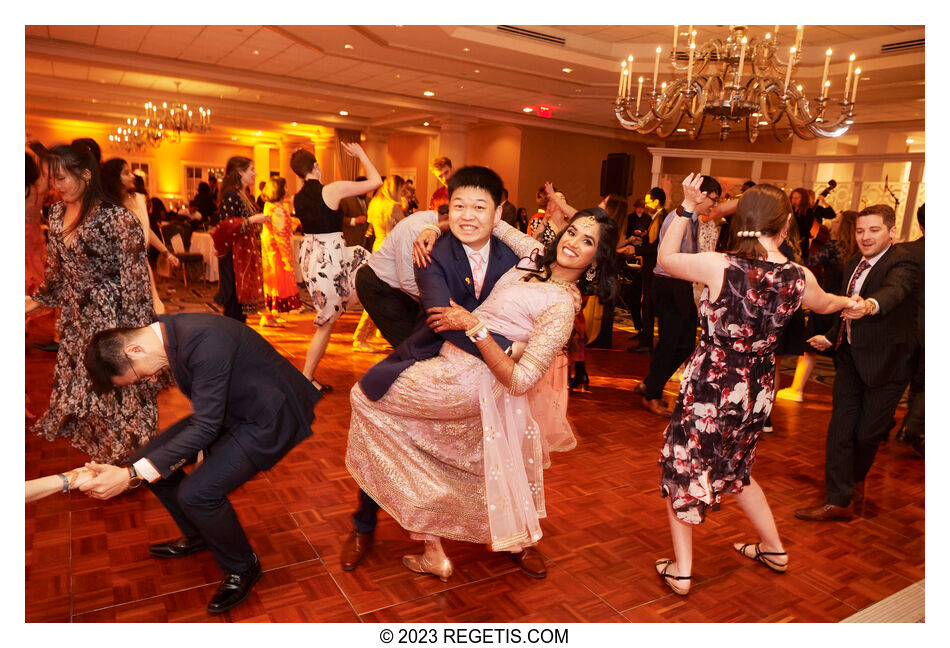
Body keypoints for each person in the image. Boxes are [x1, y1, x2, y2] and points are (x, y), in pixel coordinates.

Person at [346, 194, 618, 581]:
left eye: (587, 241)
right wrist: (432, 227)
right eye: (572, 231)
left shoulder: (562, 305)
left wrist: (472, 326)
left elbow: (521, 380)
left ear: (597, 260)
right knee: (464, 454)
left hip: (467, 379)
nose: (572, 242)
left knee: (367, 401)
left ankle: (430, 535)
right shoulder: (536, 256)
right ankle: (434, 545)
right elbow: (492, 223)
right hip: (454, 365)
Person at [653, 176, 856, 595]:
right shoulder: (799, 275)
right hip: (758, 387)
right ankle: (774, 549)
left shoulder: (719, 264)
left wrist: (688, 207)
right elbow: (826, 304)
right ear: (784, 228)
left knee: (686, 467)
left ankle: (683, 570)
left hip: (713, 381)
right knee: (738, 470)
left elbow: (667, 256)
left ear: (741, 220)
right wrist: (851, 303)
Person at [79, 313, 322, 614]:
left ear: (134, 350)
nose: (151, 379)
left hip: (269, 416)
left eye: (140, 376)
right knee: (149, 464)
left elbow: (206, 426)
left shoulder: (203, 339)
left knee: (196, 493)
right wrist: (136, 469)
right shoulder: (170, 335)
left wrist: (130, 475)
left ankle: (244, 567)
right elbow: (207, 417)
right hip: (230, 410)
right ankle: (201, 534)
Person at [25, 141, 160, 463]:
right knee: (87, 392)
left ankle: (132, 463)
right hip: (75, 321)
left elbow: (136, 284)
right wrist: (32, 302)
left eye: (61, 178)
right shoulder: (56, 213)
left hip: (113, 319)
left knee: (123, 392)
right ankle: (104, 457)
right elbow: (57, 276)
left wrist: (140, 338)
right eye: (51, 179)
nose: (54, 187)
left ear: (86, 175)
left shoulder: (118, 219)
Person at [794, 204, 919, 522]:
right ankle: (837, 499)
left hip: (889, 364)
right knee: (840, 428)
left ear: (891, 232)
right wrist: (832, 335)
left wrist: (871, 305)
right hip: (849, 357)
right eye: (861, 230)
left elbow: (895, 290)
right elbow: (845, 307)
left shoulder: (902, 260)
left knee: (867, 433)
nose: (865, 236)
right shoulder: (853, 263)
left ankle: (853, 479)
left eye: (874, 230)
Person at [291, 144, 382, 392]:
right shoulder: (331, 190)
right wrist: (362, 154)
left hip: (312, 256)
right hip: (329, 258)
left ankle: (307, 377)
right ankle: (306, 378)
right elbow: (375, 181)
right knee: (327, 322)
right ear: (316, 167)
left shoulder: (296, 197)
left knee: (364, 259)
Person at [637, 176, 721, 416]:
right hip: (669, 285)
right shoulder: (680, 217)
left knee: (684, 345)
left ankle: (650, 382)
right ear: (700, 195)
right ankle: (652, 394)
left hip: (679, 285)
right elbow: (672, 259)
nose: (713, 206)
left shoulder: (692, 218)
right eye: (712, 200)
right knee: (670, 342)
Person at [354, 207, 445, 348]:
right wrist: (437, 301)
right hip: (378, 285)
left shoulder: (434, 222)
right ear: (446, 216)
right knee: (411, 347)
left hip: (400, 290)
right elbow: (407, 281)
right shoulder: (416, 228)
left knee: (427, 340)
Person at [101, 157, 180, 314]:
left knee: (151, 311)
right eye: (126, 173)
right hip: (117, 269)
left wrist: (166, 252)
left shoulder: (139, 199)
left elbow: (147, 230)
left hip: (141, 265)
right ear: (115, 179)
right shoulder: (107, 205)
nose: (132, 176)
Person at [211, 157, 272, 324]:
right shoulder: (231, 196)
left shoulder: (241, 194)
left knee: (239, 308)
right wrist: (253, 220)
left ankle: (236, 342)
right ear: (240, 172)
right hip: (234, 258)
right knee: (233, 305)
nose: (256, 173)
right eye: (252, 169)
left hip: (243, 257)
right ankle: (231, 343)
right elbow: (226, 227)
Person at [353, 175, 405, 352]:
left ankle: (379, 332)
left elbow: (371, 228)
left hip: (377, 246)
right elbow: (404, 229)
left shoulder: (375, 204)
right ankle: (360, 337)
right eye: (401, 189)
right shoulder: (393, 206)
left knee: (381, 289)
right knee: (380, 292)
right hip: (390, 250)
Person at [895, 204, 924, 456]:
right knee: (924, 383)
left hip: (903, 328)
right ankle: (910, 429)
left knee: (895, 378)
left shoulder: (904, 251)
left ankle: (882, 426)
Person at [628, 186, 668, 354]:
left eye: (648, 200)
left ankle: (646, 342)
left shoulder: (661, 217)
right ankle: (645, 338)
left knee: (648, 305)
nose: (646, 203)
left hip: (653, 267)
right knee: (646, 304)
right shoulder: (658, 217)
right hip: (651, 266)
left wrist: (637, 249)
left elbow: (656, 246)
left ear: (656, 201)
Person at [259, 177, 303, 324]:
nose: (287, 189)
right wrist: (287, 259)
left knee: (272, 282)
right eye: (285, 187)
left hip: (270, 250)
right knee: (278, 282)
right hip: (277, 251)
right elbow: (281, 235)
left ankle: (271, 315)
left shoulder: (269, 206)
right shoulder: (278, 209)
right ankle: (269, 317)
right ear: (279, 189)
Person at [790, 187, 835, 257]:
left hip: (808, 241)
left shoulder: (816, 209)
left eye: (797, 198)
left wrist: (824, 202)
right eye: (793, 198)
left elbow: (832, 215)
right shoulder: (792, 210)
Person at [340, 175, 370, 247]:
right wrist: (355, 220)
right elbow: (340, 219)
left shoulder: (370, 200)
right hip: (352, 240)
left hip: (367, 241)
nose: (364, 191)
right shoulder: (346, 200)